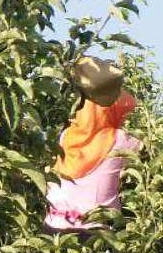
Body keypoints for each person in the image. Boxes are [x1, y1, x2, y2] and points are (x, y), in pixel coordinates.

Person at [43, 89, 139, 234]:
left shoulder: (67, 135)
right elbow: (162, 154)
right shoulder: (120, 139)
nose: (123, 119)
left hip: (53, 224)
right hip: (93, 230)